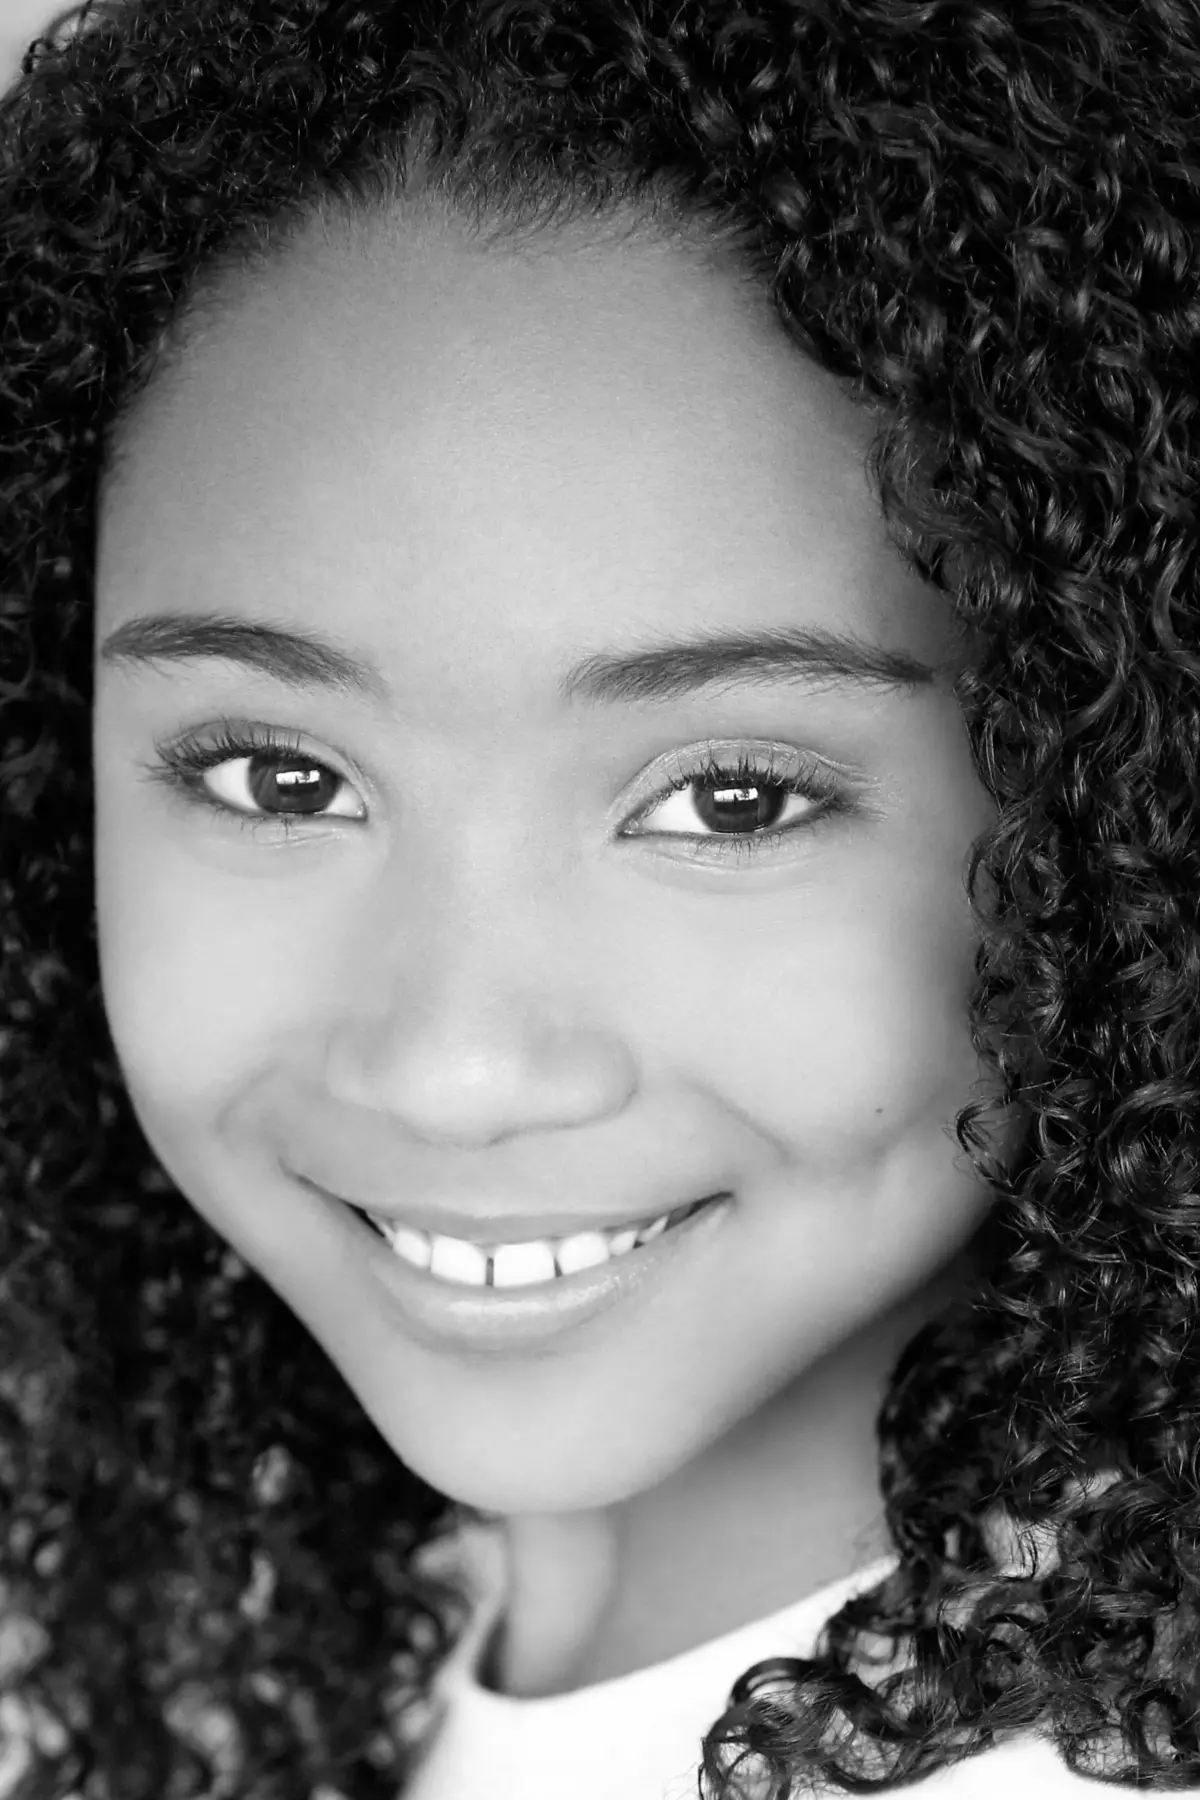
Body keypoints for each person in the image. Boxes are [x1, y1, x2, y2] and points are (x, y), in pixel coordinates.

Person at [3, 0, 1198, 1794]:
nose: (455, 1068)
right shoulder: (182, 1647)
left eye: (730, 800)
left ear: (1115, 810)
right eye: (281, 778)